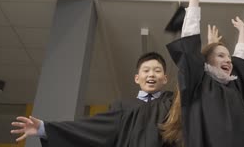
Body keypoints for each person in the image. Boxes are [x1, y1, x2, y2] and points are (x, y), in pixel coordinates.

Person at [161, 0, 244, 147]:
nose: (229, 61)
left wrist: (243, 35)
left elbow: (240, 61)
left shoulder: (234, 86)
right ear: (205, 62)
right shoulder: (198, 82)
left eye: (228, 57)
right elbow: (190, 43)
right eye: (221, 56)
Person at [11, 52, 175, 147]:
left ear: (165, 78)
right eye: (146, 70)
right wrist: (45, 129)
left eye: (157, 70)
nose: (151, 74)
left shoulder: (173, 104)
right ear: (137, 78)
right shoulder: (122, 107)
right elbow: (90, 129)